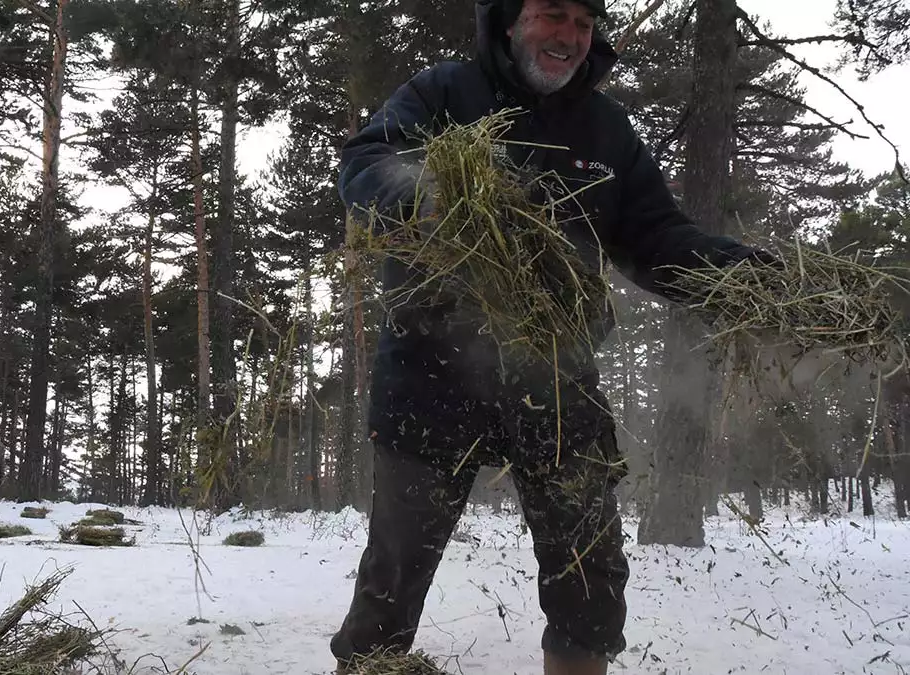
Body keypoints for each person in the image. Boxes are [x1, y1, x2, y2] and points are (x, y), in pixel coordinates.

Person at [331, 1, 777, 674]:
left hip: (557, 379)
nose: (568, 35)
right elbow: (367, 161)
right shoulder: (445, 92)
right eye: (552, 14)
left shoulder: (605, 129)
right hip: (430, 367)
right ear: (511, 21)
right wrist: (426, 191)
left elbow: (657, 238)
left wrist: (739, 275)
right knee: (394, 570)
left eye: (583, 24)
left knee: (590, 571)